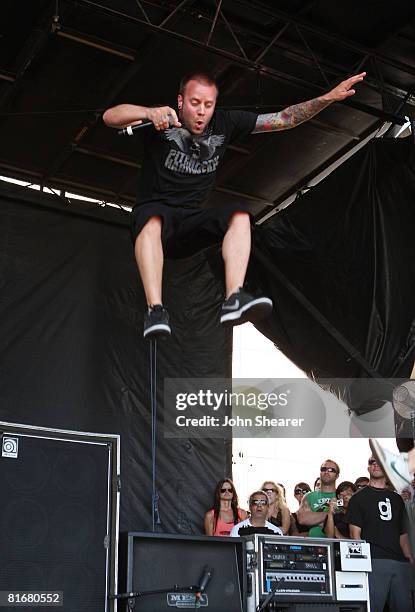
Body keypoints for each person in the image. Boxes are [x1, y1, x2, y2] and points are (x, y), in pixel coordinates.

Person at [103, 71, 366, 339]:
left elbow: (285, 119)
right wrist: (149, 113)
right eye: (195, 104)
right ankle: (155, 311)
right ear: (181, 102)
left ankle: (234, 298)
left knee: (239, 215)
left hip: (189, 225)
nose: (201, 112)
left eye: (208, 105)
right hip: (153, 222)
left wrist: (329, 98)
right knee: (153, 218)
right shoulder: (161, 122)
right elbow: (109, 117)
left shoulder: (226, 123)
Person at [348, 454, 414, 612]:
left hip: (400, 563)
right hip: (373, 561)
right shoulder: (358, 498)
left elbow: (403, 533)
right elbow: (354, 535)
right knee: (373, 608)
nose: (375, 464)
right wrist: (361, 563)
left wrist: (409, 558)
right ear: (368, 467)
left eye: (379, 461)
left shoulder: (397, 499)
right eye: (372, 461)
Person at [296, 459, 339, 537]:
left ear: (337, 476)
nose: (326, 472)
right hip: (315, 544)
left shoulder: (341, 495)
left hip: (336, 544)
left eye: (331, 470)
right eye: (324, 469)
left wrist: (315, 518)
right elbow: (303, 519)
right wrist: (330, 514)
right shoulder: (309, 496)